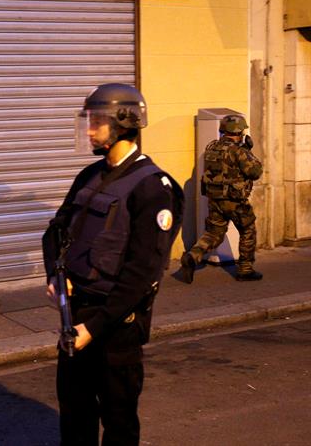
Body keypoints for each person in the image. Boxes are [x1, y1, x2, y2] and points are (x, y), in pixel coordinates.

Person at [42, 83, 184, 445]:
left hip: (117, 324)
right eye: (88, 121)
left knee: (118, 420)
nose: (89, 130)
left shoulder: (154, 187)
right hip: (75, 314)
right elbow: (55, 232)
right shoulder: (90, 175)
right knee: (74, 413)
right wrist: (55, 275)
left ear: (123, 123)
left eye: (97, 122)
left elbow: (143, 274)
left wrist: (94, 328)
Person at [180, 114, 263, 283]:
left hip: (215, 199)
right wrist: (248, 151)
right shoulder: (239, 151)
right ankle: (245, 269)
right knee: (247, 229)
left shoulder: (212, 147)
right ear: (239, 132)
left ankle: (192, 256)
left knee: (214, 233)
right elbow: (255, 172)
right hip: (234, 200)